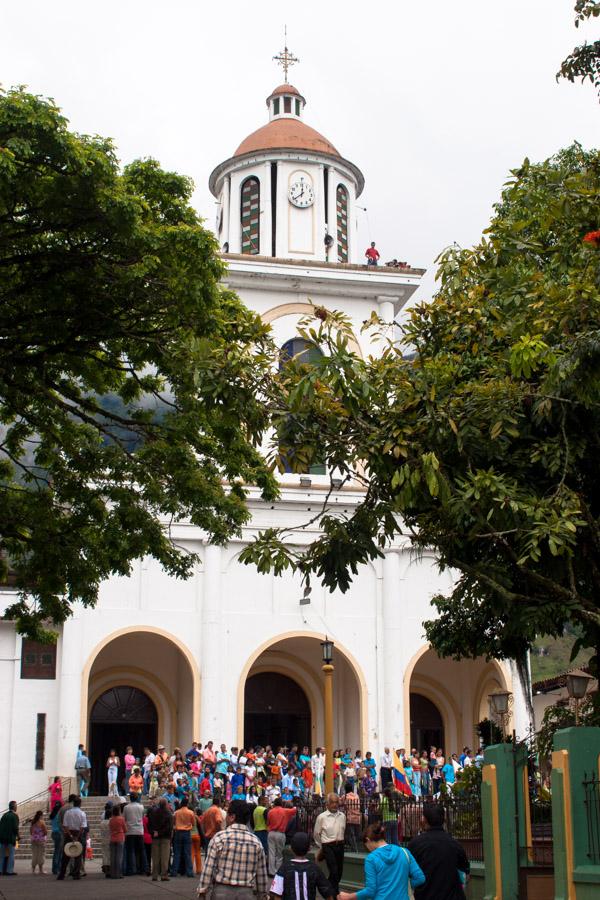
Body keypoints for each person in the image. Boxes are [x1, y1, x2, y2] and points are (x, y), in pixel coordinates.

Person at [197, 799, 269, 900]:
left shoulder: (219, 838)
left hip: (221, 892)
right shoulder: (256, 842)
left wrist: (202, 892)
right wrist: (263, 895)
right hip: (246, 893)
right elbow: (261, 874)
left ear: (232, 817)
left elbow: (208, 868)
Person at [339, 822, 425, 900]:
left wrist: (349, 896)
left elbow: (370, 891)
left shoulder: (371, 858)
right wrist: (404, 886)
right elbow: (420, 878)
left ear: (368, 840)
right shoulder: (404, 851)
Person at [407, 803, 469, 900]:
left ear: (424, 820)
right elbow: (466, 872)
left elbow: (408, 873)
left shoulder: (415, 844)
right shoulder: (455, 844)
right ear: (444, 820)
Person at [270, 831, 335, 900]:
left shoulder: (284, 868)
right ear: (309, 849)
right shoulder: (314, 868)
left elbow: (276, 894)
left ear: (291, 848)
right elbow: (327, 893)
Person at [313, 792, 346, 896]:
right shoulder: (321, 817)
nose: (335, 804)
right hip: (328, 845)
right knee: (334, 871)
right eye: (332, 802)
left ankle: (327, 889)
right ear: (327, 804)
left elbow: (343, 830)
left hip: (340, 845)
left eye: (336, 802)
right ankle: (334, 895)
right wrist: (322, 845)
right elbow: (316, 834)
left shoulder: (342, 816)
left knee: (339, 872)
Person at [57, 795, 86, 880]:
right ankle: (76, 873)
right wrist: (77, 836)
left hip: (68, 834)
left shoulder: (68, 812)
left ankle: (62, 874)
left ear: (73, 804)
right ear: (80, 804)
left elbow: (65, 825)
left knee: (66, 854)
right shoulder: (82, 813)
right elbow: (82, 827)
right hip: (78, 834)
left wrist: (70, 835)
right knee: (78, 854)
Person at [266, 798, 296, 876]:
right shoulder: (285, 811)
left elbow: (268, 823)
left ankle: (271, 871)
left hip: (271, 833)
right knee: (279, 854)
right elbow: (295, 809)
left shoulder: (270, 811)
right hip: (280, 833)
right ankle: (278, 871)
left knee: (271, 853)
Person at [147, 797, 173, 881]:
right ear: (166, 804)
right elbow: (169, 827)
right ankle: (163, 875)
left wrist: (153, 832)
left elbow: (149, 824)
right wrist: (160, 832)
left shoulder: (153, 813)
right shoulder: (169, 814)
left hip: (155, 837)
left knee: (155, 857)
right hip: (165, 838)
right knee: (164, 857)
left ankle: (154, 875)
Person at [171, 796, 195, 877]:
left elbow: (173, 823)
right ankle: (189, 872)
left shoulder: (176, 812)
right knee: (187, 853)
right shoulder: (191, 813)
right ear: (187, 804)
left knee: (177, 853)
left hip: (178, 832)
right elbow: (193, 823)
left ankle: (174, 871)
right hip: (187, 832)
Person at [123, 792, 145, 875]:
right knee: (142, 850)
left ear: (130, 798)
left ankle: (132, 869)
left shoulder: (126, 808)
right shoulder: (141, 807)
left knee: (131, 851)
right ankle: (144, 868)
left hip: (130, 831)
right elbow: (143, 817)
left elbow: (124, 819)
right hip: (139, 830)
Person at [0, 801, 19, 876]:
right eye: (16, 806)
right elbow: (15, 828)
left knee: (2, 855)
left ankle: (0, 870)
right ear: (14, 807)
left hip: (2, 838)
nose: (16, 807)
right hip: (11, 838)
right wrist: (18, 836)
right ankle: (9, 871)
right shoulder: (15, 816)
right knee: (11, 854)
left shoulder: (4, 815)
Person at [109, 804, 126, 879]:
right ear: (119, 811)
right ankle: (118, 873)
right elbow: (125, 829)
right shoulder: (121, 819)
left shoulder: (111, 819)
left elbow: (110, 828)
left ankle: (112, 873)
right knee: (119, 857)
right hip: (120, 838)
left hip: (112, 838)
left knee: (113, 857)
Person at [30, 810, 48, 874]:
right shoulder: (42, 822)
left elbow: (31, 831)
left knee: (34, 854)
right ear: (41, 815)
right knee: (41, 855)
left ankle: (33, 870)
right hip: (41, 840)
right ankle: (41, 870)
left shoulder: (33, 822)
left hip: (34, 840)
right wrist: (42, 835)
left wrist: (35, 835)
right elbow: (45, 832)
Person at [50, 800, 64, 875]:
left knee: (56, 851)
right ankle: (57, 868)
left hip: (53, 833)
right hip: (59, 833)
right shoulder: (59, 814)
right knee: (59, 852)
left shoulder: (52, 814)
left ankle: (55, 868)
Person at [99, 802, 113, 878]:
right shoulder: (111, 822)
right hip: (110, 839)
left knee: (105, 855)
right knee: (110, 855)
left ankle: (105, 868)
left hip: (104, 839)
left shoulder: (102, 822)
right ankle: (110, 869)